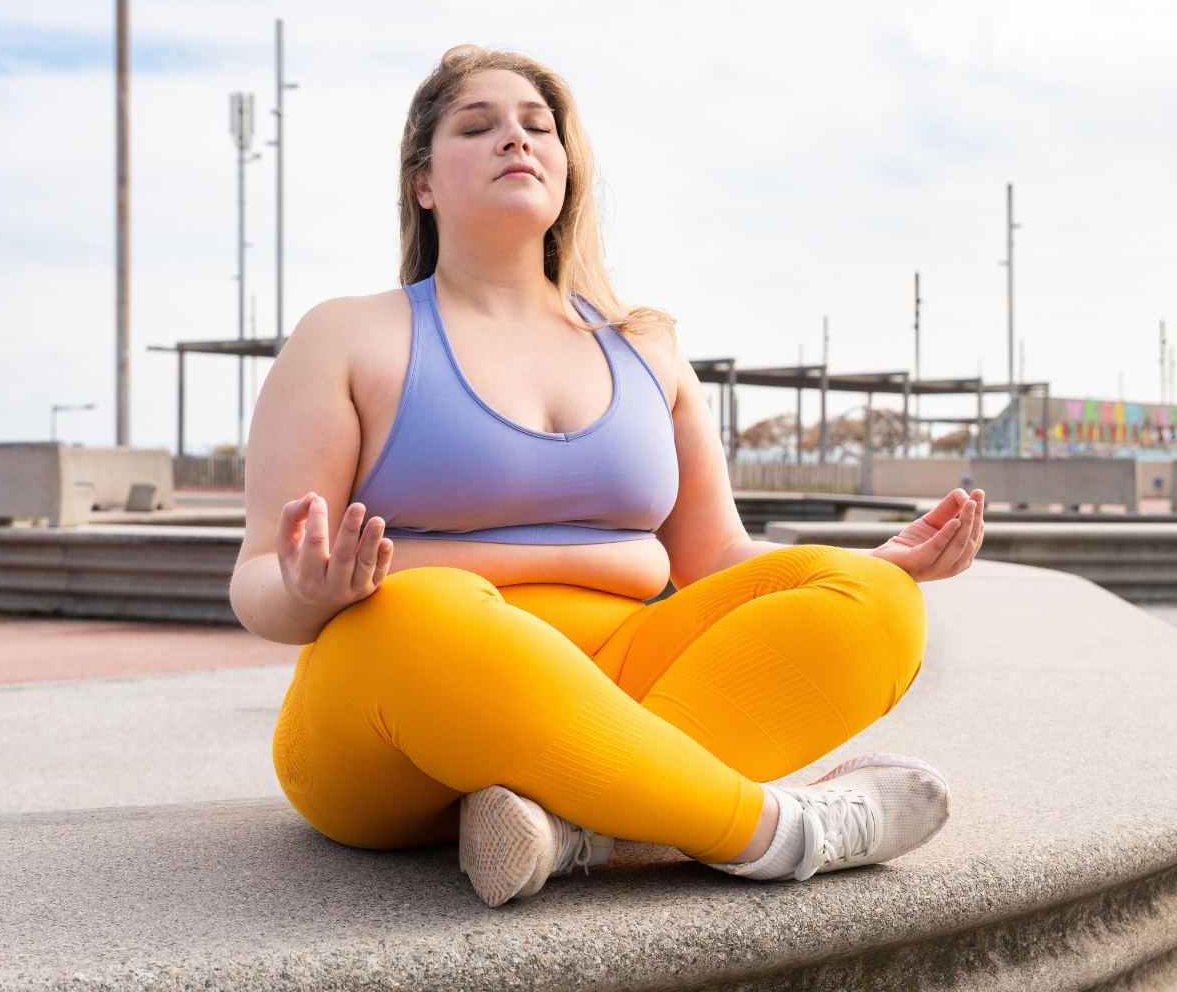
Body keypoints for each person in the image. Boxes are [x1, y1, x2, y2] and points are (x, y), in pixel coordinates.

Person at [231, 45, 986, 909]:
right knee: (422, 605)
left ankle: (571, 826)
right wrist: (310, 591)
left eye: (537, 127)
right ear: (424, 182)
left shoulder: (645, 344)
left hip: (619, 675)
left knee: (873, 597)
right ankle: (780, 832)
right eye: (477, 127)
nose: (514, 139)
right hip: (393, 718)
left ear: (565, 168)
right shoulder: (345, 336)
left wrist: (876, 563)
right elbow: (259, 581)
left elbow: (715, 555)